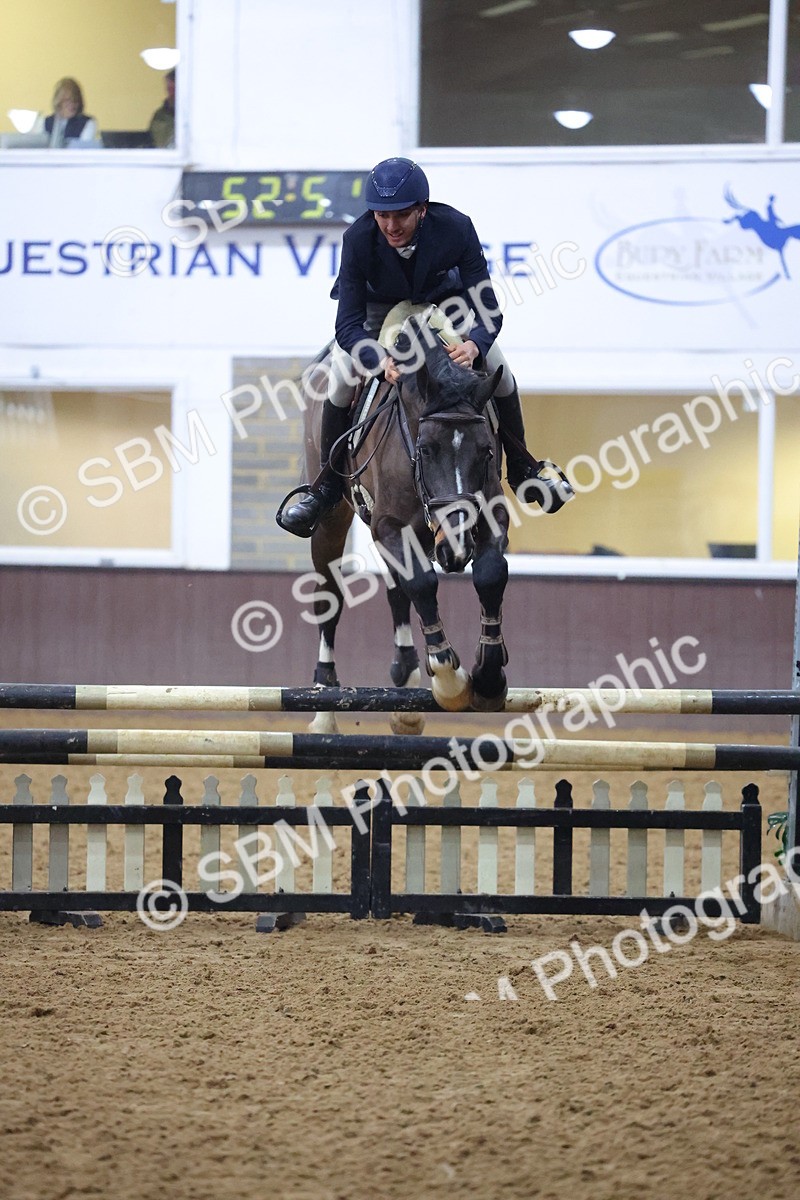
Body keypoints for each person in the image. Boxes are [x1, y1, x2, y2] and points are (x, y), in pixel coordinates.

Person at [280, 156, 567, 538]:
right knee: (342, 375)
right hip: (378, 311)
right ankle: (327, 489)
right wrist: (377, 359)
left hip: (442, 305)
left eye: (401, 214)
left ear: (422, 209)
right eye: (382, 215)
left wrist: (474, 345)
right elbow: (347, 324)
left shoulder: (456, 228)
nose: (391, 226)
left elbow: (488, 308)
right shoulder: (358, 238)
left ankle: (522, 468)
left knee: (500, 368)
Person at [34, 78, 97, 146]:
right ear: (58, 101)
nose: (72, 105)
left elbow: (82, 148)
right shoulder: (45, 122)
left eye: (75, 100)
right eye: (67, 100)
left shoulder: (87, 123)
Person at [148, 69, 175, 148]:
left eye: (173, 89)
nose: (171, 93)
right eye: (169, 89)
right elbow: (163, 144)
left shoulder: (198, 114)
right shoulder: (161, 116)